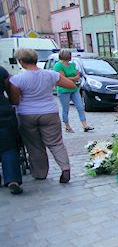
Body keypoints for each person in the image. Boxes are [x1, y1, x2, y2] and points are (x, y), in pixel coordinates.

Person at [8, 48, 76, 183]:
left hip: (27, 114)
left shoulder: (17, 79)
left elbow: (15, 100)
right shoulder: (50, 75)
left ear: (21, 61)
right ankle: (65, 168)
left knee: (35, 145)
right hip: (49, 112)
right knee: (56, 143)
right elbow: (70, 84)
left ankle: (40, 173)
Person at [54, 48, 93, 133]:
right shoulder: (58, 65)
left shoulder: (72, 65)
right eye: (69, 56)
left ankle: (85, 125)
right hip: (63, 90)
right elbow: (62, 79)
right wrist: (74, 78)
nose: (71, 57)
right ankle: (67, 126)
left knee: (80, 106)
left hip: (74, 89)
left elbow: (77, 74)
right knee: (65, 109)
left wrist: (73, 78)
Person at [0, 66, 23, 194]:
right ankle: (12, 179)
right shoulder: (1, 71)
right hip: (3, 110)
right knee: (8, 147)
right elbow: (10, 89)